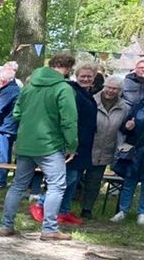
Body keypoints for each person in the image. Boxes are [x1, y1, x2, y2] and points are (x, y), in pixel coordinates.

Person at [0, 53, 78, 240]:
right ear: (68, 68)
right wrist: (72, 145)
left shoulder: (29, 86)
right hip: (51, 144)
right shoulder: (63, 88)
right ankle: (49, 228)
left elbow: (17, 113)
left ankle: (6, 225)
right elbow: (69, 120)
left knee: (18, 185)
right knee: (56, 186)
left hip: (25, 143)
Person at [33, 64, 97, 225]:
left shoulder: (88, 94)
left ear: (94, 78)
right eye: (83, 76)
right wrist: (69, 142)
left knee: (75, 178)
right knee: (67, 177)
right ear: (76, 75)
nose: (86, 79)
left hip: (85, 142)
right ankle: (40, 204)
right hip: (71, 140)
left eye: (89, 76)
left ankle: (63, 211)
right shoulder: (72, 91)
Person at [78, 75, 128, 219]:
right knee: (74, 178)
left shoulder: (124, 107)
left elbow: (123, 129)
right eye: (109, 87)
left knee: (94, 182)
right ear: (104, 86)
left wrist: (127, 127)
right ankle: (65, 207)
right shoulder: (91, 100)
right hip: (86, 147)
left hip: (105, 149)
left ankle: (87, 209)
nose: (111, 91)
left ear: (120, 91)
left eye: (115, 89)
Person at [110, 79, 144, 225]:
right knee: (129, 182)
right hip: (136, 151)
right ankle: (122, 211)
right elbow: (124, 128)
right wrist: (127, 126)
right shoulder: (138, 106)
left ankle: (143, 213)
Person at [0, 65, 21, 189]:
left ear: (3, 80)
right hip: (14, 126)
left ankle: (0, 182)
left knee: (2, 156)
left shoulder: (8, 90)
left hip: (4, 127)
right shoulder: (17, 89)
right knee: (9, 155)